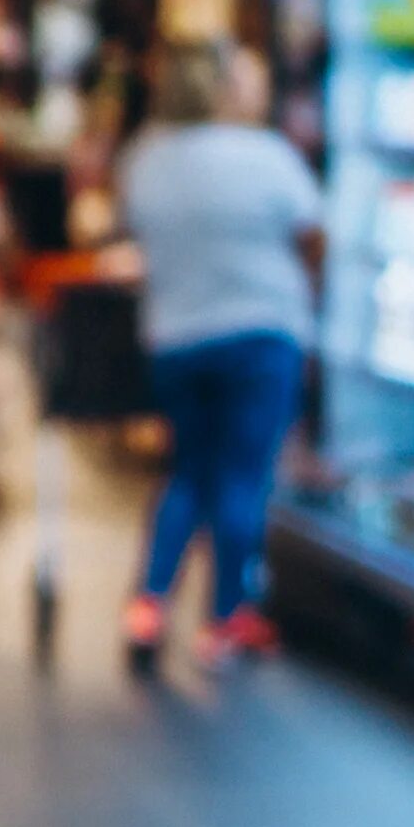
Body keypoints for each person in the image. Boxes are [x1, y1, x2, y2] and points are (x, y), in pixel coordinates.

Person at [117, 40, 323, 668]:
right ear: (224, 87)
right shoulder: (265, 155)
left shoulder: (145, 159)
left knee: (187, 471)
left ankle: (148, 605)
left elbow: (129, 235)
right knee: (243, 477)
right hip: (261, 335)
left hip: (176, 337)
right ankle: (228, 618)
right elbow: (313, 236)